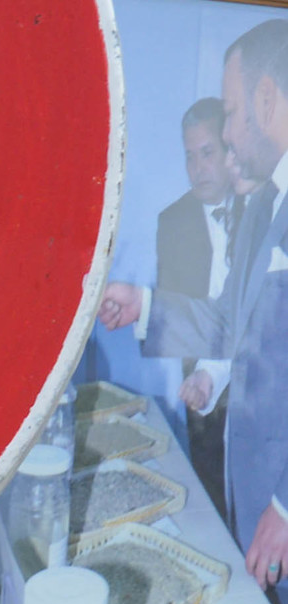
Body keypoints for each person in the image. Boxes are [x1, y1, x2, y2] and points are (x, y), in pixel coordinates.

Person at [104, 18, 288, 581]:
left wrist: (285, 505)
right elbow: (233, 325)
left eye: (231, 112)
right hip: (255, 497)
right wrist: (142, 304)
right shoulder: (270, 206)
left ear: (265, 97)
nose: (228, 133)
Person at [158, 97, 248, 511]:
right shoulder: (173, 222)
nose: (197, 167)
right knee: (210, 499)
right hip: (203, 389)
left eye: (207, 152)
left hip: (258, 388)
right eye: (189, 156)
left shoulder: (263, 213)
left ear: (231, 150)